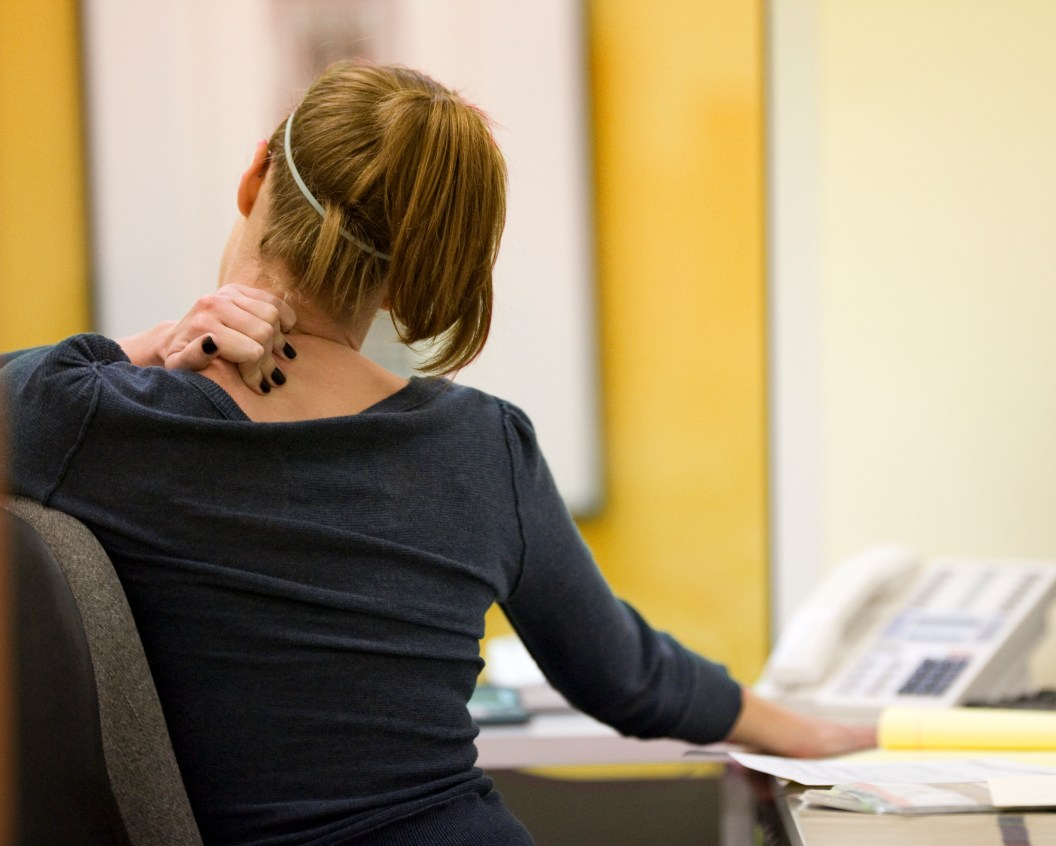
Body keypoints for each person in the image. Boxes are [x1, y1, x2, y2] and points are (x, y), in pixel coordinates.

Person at [1, 60, 872, 846]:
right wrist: (812, 731)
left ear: (256, 172)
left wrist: (150, 344)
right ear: (418, 261)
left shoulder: (91, 420)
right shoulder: (481, 445)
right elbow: (627, 677)